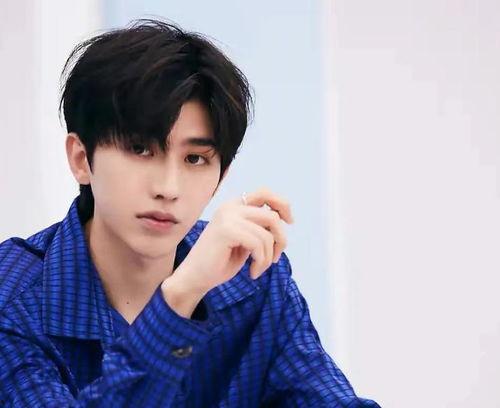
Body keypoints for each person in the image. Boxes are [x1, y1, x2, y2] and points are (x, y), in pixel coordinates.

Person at [0, 19, 380, 407]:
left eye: (195, 159)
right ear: (81, 159)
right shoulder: (12, 297)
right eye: (140, 150)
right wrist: (181, 296)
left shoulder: (254, 280)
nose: (169, 188)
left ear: (221, 177)